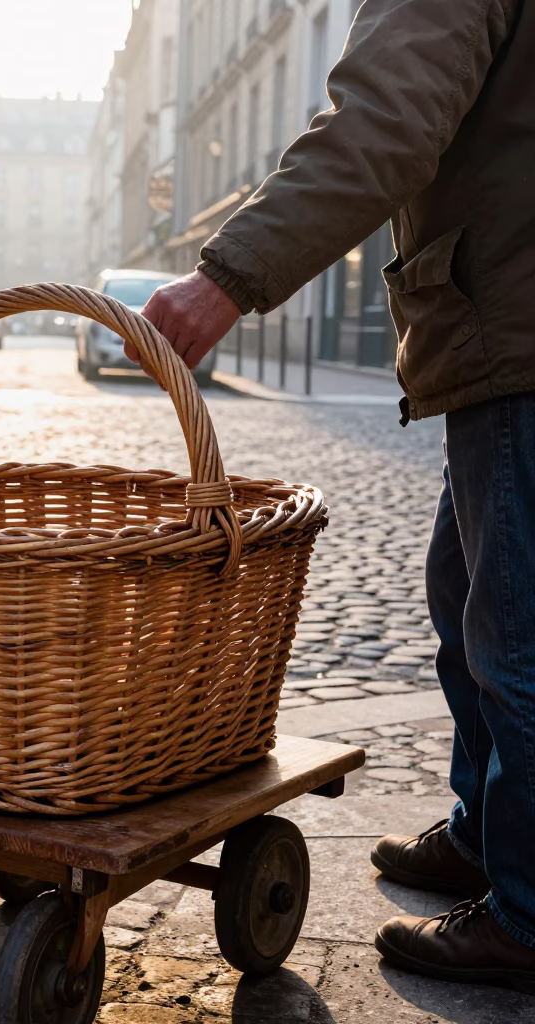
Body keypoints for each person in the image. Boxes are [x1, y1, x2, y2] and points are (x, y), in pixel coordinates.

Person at [131, 0, 535, 991]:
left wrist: (224, 277)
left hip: (516, 326)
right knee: (463, 597)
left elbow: (383, 124)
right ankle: (488, 835)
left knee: (515, 639)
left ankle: (528, 914)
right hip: (504, 324)